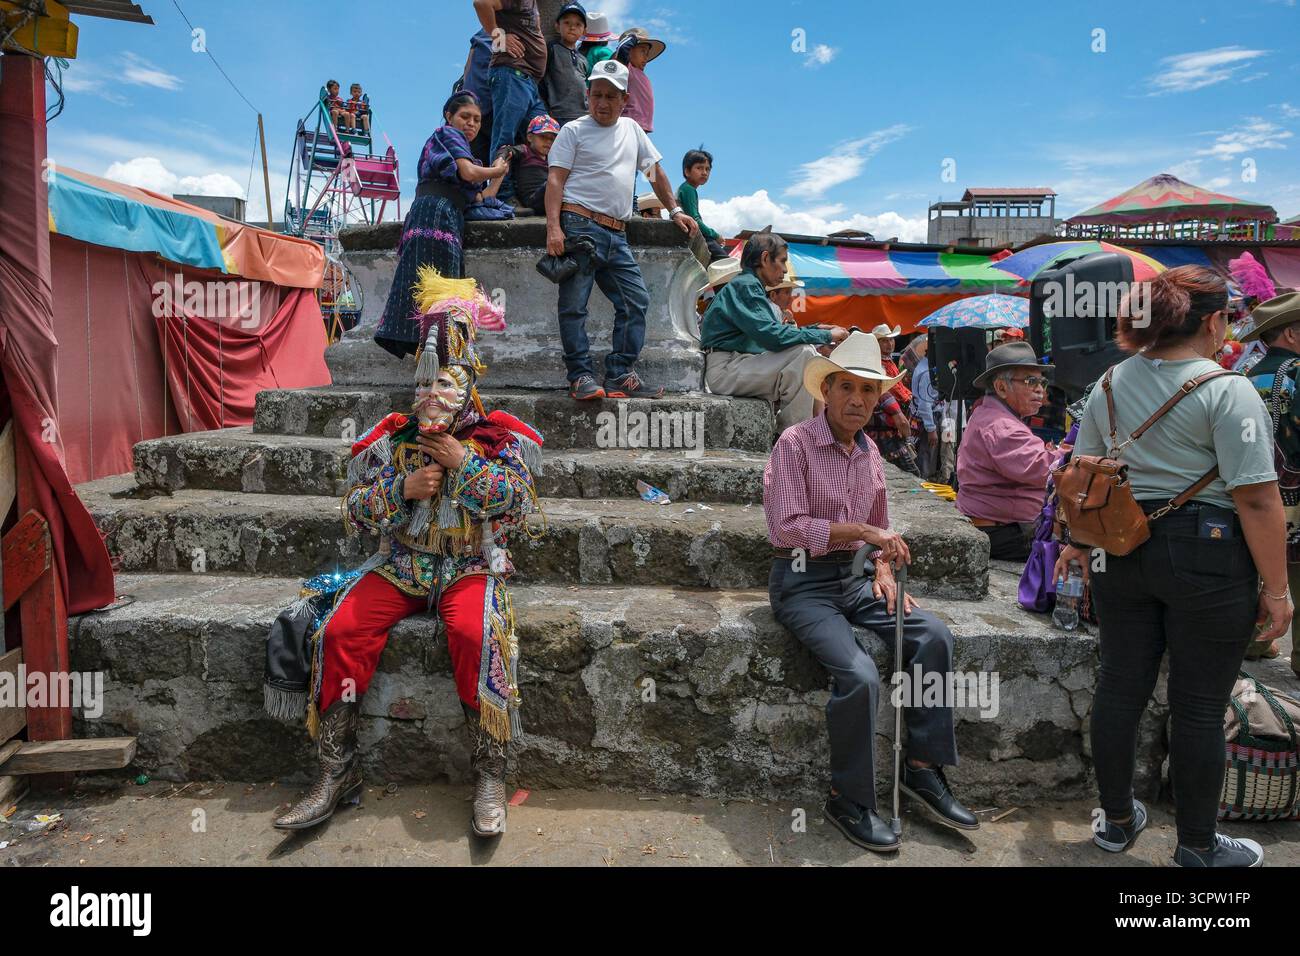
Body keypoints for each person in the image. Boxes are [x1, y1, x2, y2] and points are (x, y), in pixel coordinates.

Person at [269, 275, 543, 838]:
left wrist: (464, 465)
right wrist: (403, 490)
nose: (430, 396)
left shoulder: (497, 442)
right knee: (340, 630)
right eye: (422, 385)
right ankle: (335, 770)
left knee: (476, 635)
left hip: (469, 565)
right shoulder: (391, 441)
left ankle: (491, 773)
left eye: (443, 384)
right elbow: (356, 512)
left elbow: (516, 510)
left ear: (467, 390)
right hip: (401, 565)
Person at [1055, 265, 1290, 868]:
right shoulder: (1227, 389)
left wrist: (1077, 546)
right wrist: (1278, 590)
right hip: (1207, 554)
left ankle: (1113, 822)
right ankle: (1198, 847)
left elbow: (1082, 475)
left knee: (1119, 689)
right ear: (1212, 321)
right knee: (1200, 707)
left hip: (1120, 548)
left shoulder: (1109, 382)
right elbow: (1258, 498)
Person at [765, 331, 977, 853]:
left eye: (868, 391)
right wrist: (861, 535)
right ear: (827, 392)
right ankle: (849, 797)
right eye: (847, 389)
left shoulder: (871, 454)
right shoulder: (794, 444)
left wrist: (882, 567)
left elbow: (880, 526)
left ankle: (923, 769)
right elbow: (786, 527)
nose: (858, 401)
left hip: (855, 579)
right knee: (859, 675)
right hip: (803, 584)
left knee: (933, 635)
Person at [545, 58, 697, 401]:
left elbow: (655, 173)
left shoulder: (632, 130)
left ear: (624, 99)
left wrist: (674, 209)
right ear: (588, 95)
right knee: (574, 305)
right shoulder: (572, 131)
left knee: (636, 300)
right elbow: (555, 179)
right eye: (597, 94)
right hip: (578, 225)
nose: (602, 102)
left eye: (611, 97)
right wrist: (553, 227)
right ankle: (580, 376)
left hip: (617, 232)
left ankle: (619, 373)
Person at [374, 92, 510, 358]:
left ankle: (434, 349)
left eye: (477, 120)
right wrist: (494, 171)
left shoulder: (462, 150)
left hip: (446, 215)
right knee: (439, 287)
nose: (471, 124)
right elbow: (469, 173)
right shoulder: (447, 135)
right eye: (465, 117)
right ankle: (435, 348)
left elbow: (483, 196)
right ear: (449, 116)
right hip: (435, 212)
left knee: (441, 287)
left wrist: (499, 170)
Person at [700, 231, 845, 430]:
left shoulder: (748, 285)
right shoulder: (746, 286)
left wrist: (815, 329)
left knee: (805, 353)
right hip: (725, 370)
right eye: (782, 261)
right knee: (805, 356)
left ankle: (793, 433)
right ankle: (794, 437)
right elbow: (772, 337)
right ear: (765, 258)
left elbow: (773, 331)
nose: (785, 270)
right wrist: (825, 335)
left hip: (734, 365)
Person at [1240, 290, 1300, 672]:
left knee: (1256, 567)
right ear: (1292, 335)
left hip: (1252, 491)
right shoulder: (1296, 374)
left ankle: (1255, 643)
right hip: (1295, 493)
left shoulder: (1247, 375)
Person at [955, 342, 1059, 560]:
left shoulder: (993, 414)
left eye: (1042, 381)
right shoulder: (1000, 425)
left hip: (1004, 527)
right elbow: (1042, 468)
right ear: (1002, 387)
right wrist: (1070, 451)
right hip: (1004, 534)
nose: (1040, 389)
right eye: (1030, 381)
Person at [474, 0, 549, 203]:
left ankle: (529, 194)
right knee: (504, 138)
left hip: (529, 81)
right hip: (512, 74)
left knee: (544, 134)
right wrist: (499, 38)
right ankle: (503, 195)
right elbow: (481, 3)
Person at [500, 113, 559, 217]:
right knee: (555, 179)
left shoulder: (552, 159)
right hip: (533, 200)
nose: (548, 142)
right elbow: (507, 150)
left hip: (549, 200)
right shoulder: (525, 151)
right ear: (530, 137)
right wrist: (501, 158)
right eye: (543, 137)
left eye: (552, 139)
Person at [540, 2, 589, 126]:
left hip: (583, 115)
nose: (572, 27)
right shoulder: (552, 49)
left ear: (584, 31)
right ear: (557, 26)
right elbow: (541, 80)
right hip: (558, 115)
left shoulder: (583, 60)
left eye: (578, 24)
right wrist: (545, 108)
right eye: (567, 23)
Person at [676, 148, 729, 262]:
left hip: (692, 233)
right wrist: (715, 235)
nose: (704, 172)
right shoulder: (688, 189)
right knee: (724, 260)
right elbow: (695, 220)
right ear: (687, 171)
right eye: (699, 168)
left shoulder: (686, 188)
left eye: (707, 169)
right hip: (693, 233)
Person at [613, 27, 662, 133]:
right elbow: (622, 49)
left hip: (642, 127)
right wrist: (633, 38)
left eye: (647, 53)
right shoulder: (625, 69)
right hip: (629, 124)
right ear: (629, 51)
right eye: (643, 51)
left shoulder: (640, 74)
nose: (646, 57)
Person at [909, 337, 942, 480]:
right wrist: (931, 429)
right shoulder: (927, 373)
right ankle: (924, 481)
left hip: (923, 415)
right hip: (927, 418)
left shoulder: (924, 365)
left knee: (926, 454)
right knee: (926, 456)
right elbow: (925, 404)